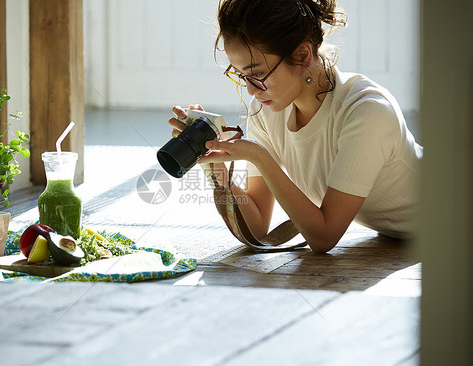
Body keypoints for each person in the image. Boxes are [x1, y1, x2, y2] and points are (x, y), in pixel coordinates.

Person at [168, 0, 422, 253]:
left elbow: (324, 238)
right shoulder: (270, 110)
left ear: (302, 56)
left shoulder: (367, 111)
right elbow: (255, 229)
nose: (251, 89)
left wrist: (260, 157)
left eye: (257, 74)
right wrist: (212, 159)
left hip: (455, 216)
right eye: (242, 75)